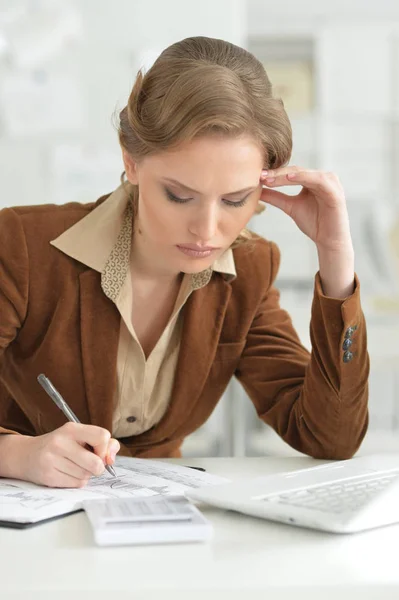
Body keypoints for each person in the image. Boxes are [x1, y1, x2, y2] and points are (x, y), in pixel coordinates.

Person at [0, 36, 369, 489]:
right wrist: (18, 454)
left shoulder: (249, 271)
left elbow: (330, 437)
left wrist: (336, 261)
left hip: (163, 527)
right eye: (179, 195)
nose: (206, 229)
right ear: (131, 161)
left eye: (236, 200)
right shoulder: (23, 246)